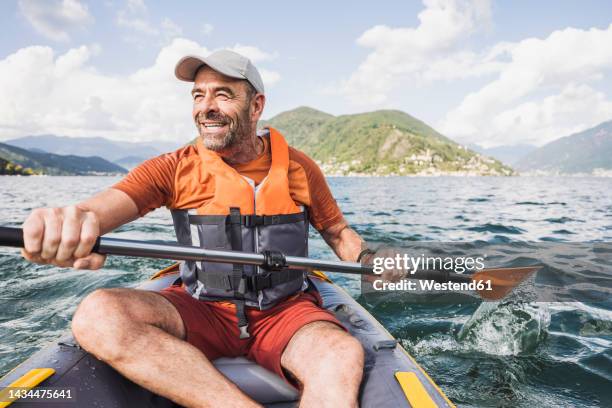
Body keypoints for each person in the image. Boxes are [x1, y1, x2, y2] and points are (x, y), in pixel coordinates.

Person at [20, 50, 370, 408]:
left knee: (340, 354)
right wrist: (70, 220)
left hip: (284, 310)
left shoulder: (299, 168)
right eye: (198, 95)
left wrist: (369, 258)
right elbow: (98, 209)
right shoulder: (173, 168)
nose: (206, 106)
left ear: (256, 105)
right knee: (98, 314)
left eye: (222, 94)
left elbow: (337, 231)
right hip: (201, 308)